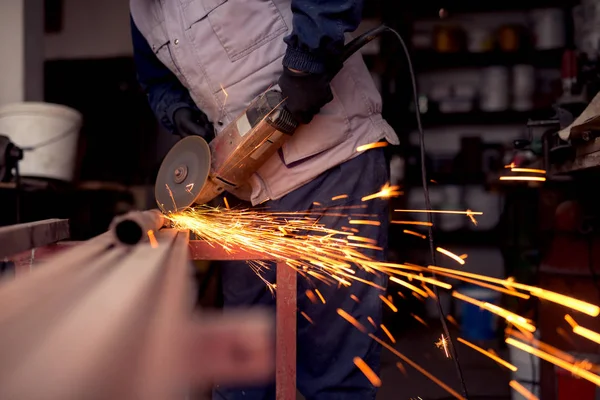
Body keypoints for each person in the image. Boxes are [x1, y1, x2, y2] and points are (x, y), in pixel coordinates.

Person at [130, 1, 399, 399]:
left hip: (332, 159)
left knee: (331, 367)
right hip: (244, 194)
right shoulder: (140, 9)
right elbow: (155, 81)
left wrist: (306, 60)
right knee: (243, 366)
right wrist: (180, 113)